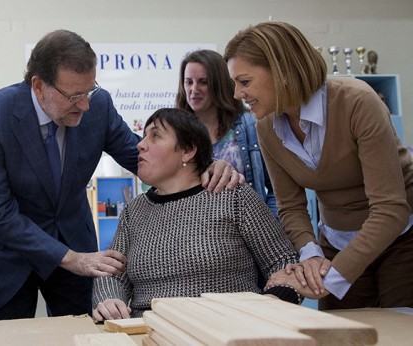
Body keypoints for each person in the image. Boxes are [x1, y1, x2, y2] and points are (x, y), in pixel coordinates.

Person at [0, 29, 244, 320]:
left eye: (89, 91)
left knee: (79, 333)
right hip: (8, 258)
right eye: (75, 96)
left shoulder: (98, 106)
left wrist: (203, 163)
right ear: (39, 86)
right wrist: (71, 258)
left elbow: (139, 156)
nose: (85, 105)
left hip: (75, 241)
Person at [224, 21, 413, 309]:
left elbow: (391, 209)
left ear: (282, 71)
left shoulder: (357, 101)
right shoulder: (265, 128)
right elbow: (291, 206)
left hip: (402, 239)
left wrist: (329, 278)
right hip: (336, 241)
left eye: (245, 82)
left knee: (398, 328)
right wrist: (310, 255)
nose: (237, 94)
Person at [92, 108, 305, 320]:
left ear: (188, 150)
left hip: (228, 329)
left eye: (155, 135)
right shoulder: (134, 210)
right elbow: (113, 272)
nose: (140, 144)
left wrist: (272, 305)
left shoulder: (233, 196)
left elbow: (283, 262)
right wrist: (110, 300)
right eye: (144, 135)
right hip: (149, 331)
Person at [176, 49, 276, 215]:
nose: (194, 89)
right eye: (188, 82)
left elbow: (277, 189)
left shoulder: (250, 125)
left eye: (203, 82)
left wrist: (267, 227)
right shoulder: (176, 132)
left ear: (219, 84)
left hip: (247, 234)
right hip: (193, 235)